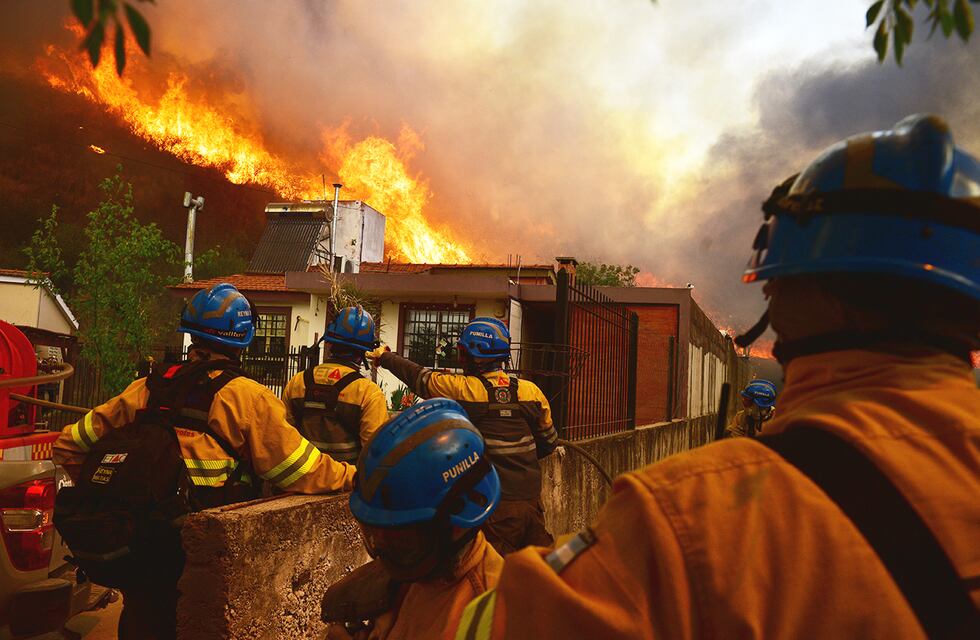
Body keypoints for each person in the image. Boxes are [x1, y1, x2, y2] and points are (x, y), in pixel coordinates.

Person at [455, 114, 980, 639]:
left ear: (795, 290)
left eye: (774, 283)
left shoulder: (689, 517)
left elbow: (506, 625)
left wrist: (442, 560)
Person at [53, 283, 356, 640]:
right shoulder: (246, 397)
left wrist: (109, 496)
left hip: (136, 546)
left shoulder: (146, 388)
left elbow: (69, 445)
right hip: (196, 555)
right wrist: (353, 477)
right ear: (245, 339)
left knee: (141, 618)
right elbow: (299, 469)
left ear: (191, 334)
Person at [368, 317, 559, 554]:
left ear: (473, 355)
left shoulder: (465, 389)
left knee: (494, 578)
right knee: (543, 571)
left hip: (496, 509)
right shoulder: (531, 391)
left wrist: (385, 357)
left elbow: (421, 379)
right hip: (531, 504)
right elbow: (549, 442)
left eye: (462, 352)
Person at [321, 397, 502, 640]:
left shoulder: (491, 617)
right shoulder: (417, 571)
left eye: (400, 536)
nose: (383, 548)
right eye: (375, 532)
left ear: (456, 526)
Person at [282, 306, 387, 463]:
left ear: (330, 343)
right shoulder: (367, 392)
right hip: (345, 484)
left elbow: (283, 438)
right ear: (364, 353)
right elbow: (374, 455)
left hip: (301, 481)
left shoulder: (297, 382)